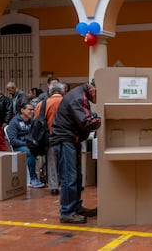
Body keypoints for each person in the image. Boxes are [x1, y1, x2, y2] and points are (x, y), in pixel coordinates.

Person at [50, 80, 101, 224]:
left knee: (77, 176)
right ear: (93, 89)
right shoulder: (78, 97)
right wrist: (102, 120)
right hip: (65, 140)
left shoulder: (81, 95)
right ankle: (67, 212)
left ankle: (76, 207)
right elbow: (86, 121)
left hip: (72, 140)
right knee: (69, 177)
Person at [34, 82, 65, 196]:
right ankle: (66, 185)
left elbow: (36, 121)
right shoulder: (69, 102)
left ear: (50, 92)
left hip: (50, 137)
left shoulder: (42, 104)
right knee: (66, 162)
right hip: (66, 137)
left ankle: (54, 187)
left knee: (51, 162)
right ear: (63, 91)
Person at [6, 102, 45, 188]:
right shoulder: (14, 122)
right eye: (30, 109)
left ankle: (44, 176)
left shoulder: (32, 122)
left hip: (30, 145)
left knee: (46, 149)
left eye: (33, 109)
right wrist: (27, 144)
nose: (32, 111)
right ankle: (33, 179)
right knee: (30, 152)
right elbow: (13, 141)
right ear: (22, 110)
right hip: (19, 147)